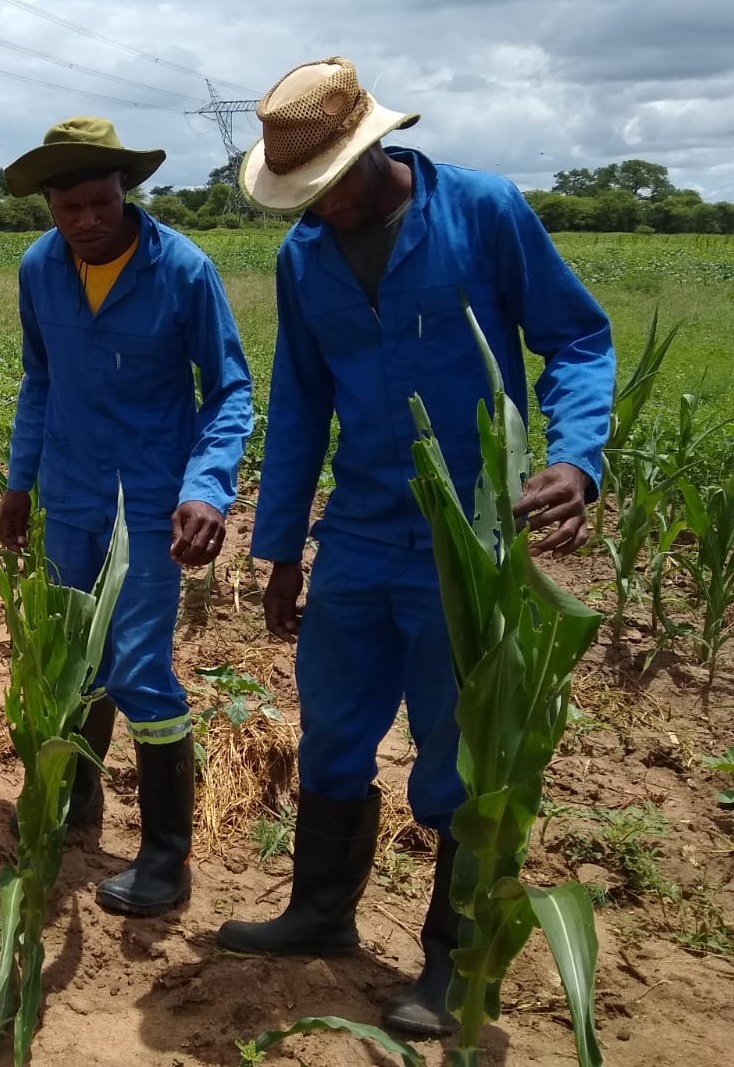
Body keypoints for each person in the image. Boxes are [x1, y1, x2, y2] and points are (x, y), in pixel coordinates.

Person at [216, 57, 616, 1035]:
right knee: (336, 732)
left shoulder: (482, 213)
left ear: (374, 149)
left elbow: (578, 339)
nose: (317, 210)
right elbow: (303, 404)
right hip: (356, 530)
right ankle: (320, 913)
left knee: (458, 754)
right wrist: (279, 550)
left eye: (329, 187)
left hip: (472, 540)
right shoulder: (304, 257)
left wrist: (578, 458)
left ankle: (451, 959)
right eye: (298, 196)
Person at [0, 117, 255, 917]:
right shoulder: (40, 268)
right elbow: (39, 379)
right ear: (47, 205)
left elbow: (229, 389)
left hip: (150, 502)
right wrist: (19, 480)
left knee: (139, 668)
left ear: (124, 192)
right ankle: (77, 802)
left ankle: (165, 857)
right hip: (69, 490)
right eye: (68, 206)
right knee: (70, 656)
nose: (86, 220)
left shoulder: (182, 269)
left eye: (100, 201)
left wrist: (207, 489)